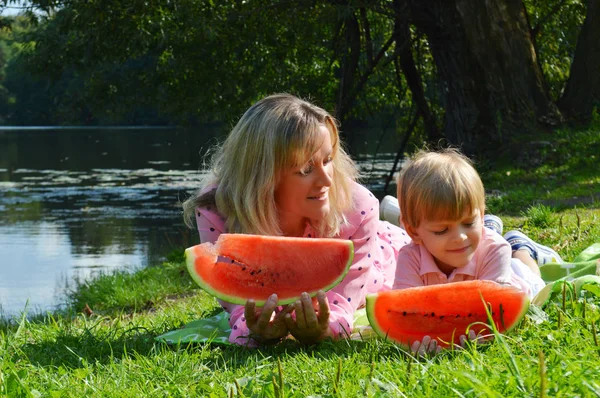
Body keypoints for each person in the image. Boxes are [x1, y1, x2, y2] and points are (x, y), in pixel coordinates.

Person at [182, 93, 411, 346]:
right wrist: (255, 328)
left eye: (328, 160)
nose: (326, 181)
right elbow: (239, 306)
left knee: (423, 242)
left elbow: (342, 309)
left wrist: (323, 330)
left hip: (381, 249)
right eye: (305, 169)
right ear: (263, 178)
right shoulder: (216, 208)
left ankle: (401, 216)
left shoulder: (357, 207)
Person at [392, 148, 562, 354]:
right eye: (442, 230)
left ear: (481, 215)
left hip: (515, 278)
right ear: (413, 231)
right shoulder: (410, 258)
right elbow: (404, 312)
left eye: (469, 222)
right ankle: (501, 235)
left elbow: (494, 311)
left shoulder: (495, 251)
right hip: (487, 251)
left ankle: (522, 247)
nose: (460, 237)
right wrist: (416, 338)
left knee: (532, 274)